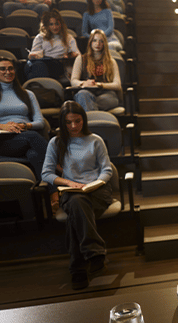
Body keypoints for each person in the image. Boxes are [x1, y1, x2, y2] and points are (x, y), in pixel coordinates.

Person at [41, 100, 113, 290]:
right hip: (71, 191)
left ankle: (78, 268)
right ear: (63, 123)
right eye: (69, 122)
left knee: (76, 209)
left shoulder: (95, 140)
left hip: (97, 190)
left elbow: (107, 170)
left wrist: (96, 183)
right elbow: (46, 174)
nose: (73, 126)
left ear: (84, 120)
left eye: (77, 121)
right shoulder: (56, 142)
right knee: (77, 203)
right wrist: (69, 183)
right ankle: (95, 254)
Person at [0, 56, 48, 179]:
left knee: (34, 154)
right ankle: (59, 166)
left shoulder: (28, 94)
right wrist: (3, 126)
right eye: (2, 69)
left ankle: (49, 191)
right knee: (33, 136)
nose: (7, 72)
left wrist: (24, 125)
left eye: (10, 69)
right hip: (4, 140)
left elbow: (40, 122)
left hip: (27, 135)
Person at [70, 29, 122, 112]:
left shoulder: (111, 61)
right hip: (87, 92)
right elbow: (73, 81)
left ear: (104, 43)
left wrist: (99, 85)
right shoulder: (81, 59)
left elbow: (117, 84)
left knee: (85, 101)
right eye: (94, 40)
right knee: (82, 95)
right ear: (90, 42)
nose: (98, 44)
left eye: (101, 41)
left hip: (106, 94)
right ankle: (95, 119)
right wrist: (84, 83)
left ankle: (89, 113)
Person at [25, 9, 80, 82]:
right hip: (43, 62)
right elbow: (34, 54)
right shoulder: (40, 37)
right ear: (47, 25)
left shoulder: (68, 37)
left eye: (57, 24)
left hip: (59, 64)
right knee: (31, 65)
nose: (54, 27)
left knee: (37, 67)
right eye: (51, 24)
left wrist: (69, 55)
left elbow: (78, 54)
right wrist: (34, 55)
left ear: (61, 24)